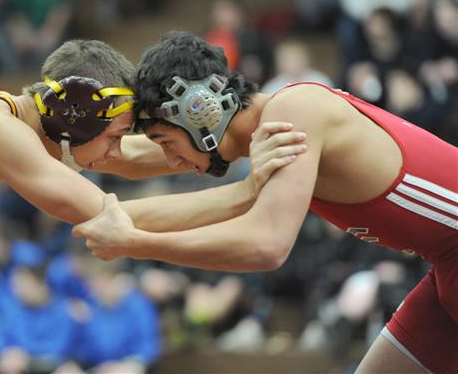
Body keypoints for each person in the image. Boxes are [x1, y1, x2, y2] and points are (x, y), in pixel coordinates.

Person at [0, 38, 306, 372]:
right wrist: (246, 189)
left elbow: (127, 160)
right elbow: (110, 218)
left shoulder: (8, 123)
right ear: (76, 115)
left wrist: (220, 146)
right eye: (111, 134)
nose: (114, 150)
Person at [73, 31, 457, 373]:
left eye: (169, 144)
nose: (172, 162)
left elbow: (267, 246)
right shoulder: (261, 131)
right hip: (446, 263)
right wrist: (33, 132)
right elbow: (128, 158)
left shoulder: (294, 115)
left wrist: (138, 244)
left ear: (201, 109)